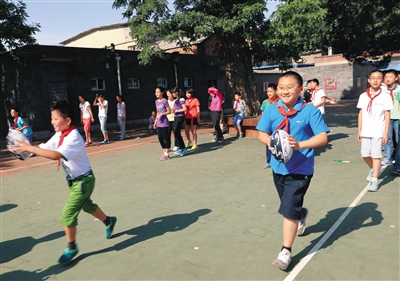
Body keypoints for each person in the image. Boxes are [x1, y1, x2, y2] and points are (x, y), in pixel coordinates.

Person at [13, 100, 117, 265]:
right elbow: (46, 147)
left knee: (67, 215)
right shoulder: (60, 135)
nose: (52, 122)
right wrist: (28, 148)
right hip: (75, 182)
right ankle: (108, 221)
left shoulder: (73, 137)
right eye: (51, 119)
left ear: (67, 121)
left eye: (55, 119)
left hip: (84, 181)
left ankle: (71, 247)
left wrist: (30, 149)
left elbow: (55, 155)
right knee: (86, 205)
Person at [256, 71, 329, 270]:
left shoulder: (309, 111)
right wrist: (271, 143)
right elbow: (262, 133)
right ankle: (300, 213)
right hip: (278, 168)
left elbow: (322, 138)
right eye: (281, 87)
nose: (285, 91)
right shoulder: (271, 110)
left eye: (290, 87)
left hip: (301, 169)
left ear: (300, 89)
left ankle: (285, 251)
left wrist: (300, 145)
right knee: (289, 205)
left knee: (288, 209)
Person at [357, 69, 393, 192]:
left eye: (378, 78)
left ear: (382, 80)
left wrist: (386, 133)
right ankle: (374, 169)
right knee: (365, 154)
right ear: (369, 80)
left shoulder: (385, 97)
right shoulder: (363, 96)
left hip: (378, 130)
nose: (375, 80)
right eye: (373, 78)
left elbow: (387, 115)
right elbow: (361, 113)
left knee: (376, 155)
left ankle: (375, 180)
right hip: (366, 130)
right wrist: (359, 130)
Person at [381, 70, 400, 165]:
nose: (387, 79)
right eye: (386, 77)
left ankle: (397, 157)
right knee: (387, 138)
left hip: (398, 118)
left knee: (397, 139)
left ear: (396, 78)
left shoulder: (399, 89)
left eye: (390, 77)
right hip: (387, 118)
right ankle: (387, 157)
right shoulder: (383, 91)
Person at [260, 84, 279, 168]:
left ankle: (280, 159)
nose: (269, 93)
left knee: (279, 142)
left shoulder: (280, 101)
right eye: (268, 91)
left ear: (276, 91)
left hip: (278, 125)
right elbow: (263, 114)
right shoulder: (265, 102)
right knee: (269, 142)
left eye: (271, 91)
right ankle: (269, 161)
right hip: (269, 126)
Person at [154, 87, 171, 161]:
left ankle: (166, 153)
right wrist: (155, 122)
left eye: (158, 92)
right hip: (159, 123)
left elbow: (169, 111)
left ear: (162, 93)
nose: (157, 94)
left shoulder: (164, 101)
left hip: (164, 123)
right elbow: (157, 112)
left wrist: (162, 114)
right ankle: (165, 153)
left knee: (165, 138)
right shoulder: (156, 101)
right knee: (160, 138)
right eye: (156, 92)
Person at [171, 87, 188, 156]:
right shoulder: (176, 100)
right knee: (176, 132)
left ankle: (183, 148)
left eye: (173, 92)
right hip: (176, 117)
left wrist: (176, 111)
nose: (173, 94)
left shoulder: (181, 99)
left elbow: (184, 109)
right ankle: (180, 147)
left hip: (180, 117)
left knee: (176, 131)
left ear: (177, 92)